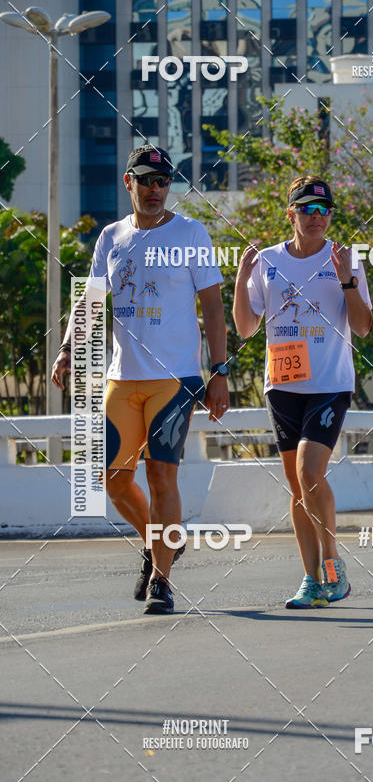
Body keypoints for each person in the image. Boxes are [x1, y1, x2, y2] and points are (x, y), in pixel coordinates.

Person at [52, 145, 229, 615]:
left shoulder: (191, 232)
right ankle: (160, 542)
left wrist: (219, 372)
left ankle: (162, 580)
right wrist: (69, 347)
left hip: (174, 379)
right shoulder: (111, 237)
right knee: (111, 479)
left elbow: (213, 308)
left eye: (163, 181)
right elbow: (91, 298)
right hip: (122, 377)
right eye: (146, 180)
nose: (156, 189)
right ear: (128, 183)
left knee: (159, 474)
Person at [233, 176, 372, 608]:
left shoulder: (345, 259)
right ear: (290, 214)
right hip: (283, 386)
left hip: (329, 384)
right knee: (297, 487)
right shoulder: (267, 261)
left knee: (312, 472)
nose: (316, 217)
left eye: (324, 210)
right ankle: (311, 580)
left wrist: (347, 279)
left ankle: (333, 564)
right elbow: (244, 327)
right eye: (307, 210)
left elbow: (365, 328)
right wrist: (241, 278)